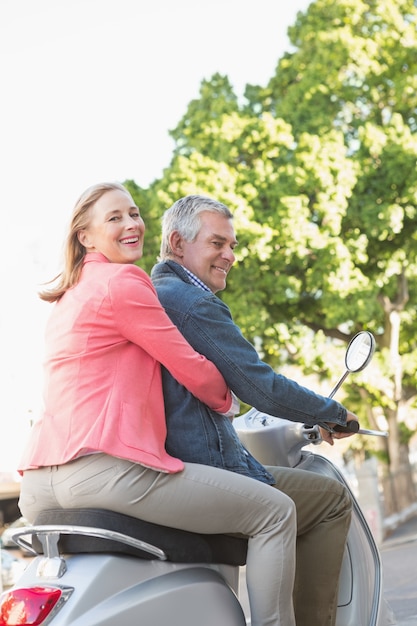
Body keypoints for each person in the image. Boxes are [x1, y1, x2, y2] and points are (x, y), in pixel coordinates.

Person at [18, 182, 306, 626]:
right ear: (85, 237)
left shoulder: (68, 298)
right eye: (115, 218)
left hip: (38, 485)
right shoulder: (125, 281)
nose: (132, 224)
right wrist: (226, 400)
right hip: (103, 473)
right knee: (275, 512)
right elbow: (192, 367)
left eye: (134, 214)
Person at [151, 194, 361, 626]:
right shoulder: (189, 303)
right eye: (216, 243)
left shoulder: (157, 295)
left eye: (232, 245)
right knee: (331, 499)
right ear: (177, 243)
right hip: (208, 467)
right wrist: (333, 412)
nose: (229, 255)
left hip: (179, 462)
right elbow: (259, 386)